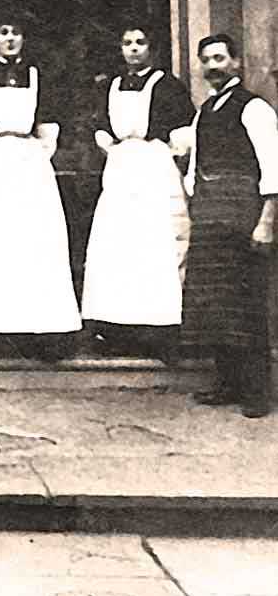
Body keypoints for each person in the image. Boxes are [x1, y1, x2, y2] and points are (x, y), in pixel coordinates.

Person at [0, 7, 81, 352]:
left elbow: (49, 132)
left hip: (31, 166)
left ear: (24, 38)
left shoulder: (39, 77)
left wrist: (32, 158)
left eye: (15, 33)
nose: (9, 39)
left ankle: (39, 333)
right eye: (3, 32)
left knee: (34, 244)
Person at [80, 21, 195, 354]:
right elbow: (100, 125)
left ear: (151, 48)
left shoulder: (167, 85)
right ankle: (117, 329)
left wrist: (170, 150)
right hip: (120, 169)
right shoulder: (110, 86)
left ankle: (162, 332)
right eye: (127, 42)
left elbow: (183, 130)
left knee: (156, 245)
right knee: (119, 246)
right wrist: (110, 146)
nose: (133, 48)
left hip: (155, 167)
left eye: (140, 42)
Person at [180, 33, 278, 418]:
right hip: (210, 214)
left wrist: (266, 221)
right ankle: (228, 382)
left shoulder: (254, 108)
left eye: (220, 58)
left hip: (243, 215)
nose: (212, 66)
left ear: (236, 62)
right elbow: (194, 167)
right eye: (206, 60)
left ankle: (257, 392)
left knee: (247, 304)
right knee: (216, 305)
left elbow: (273, 166)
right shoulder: (205, 110)